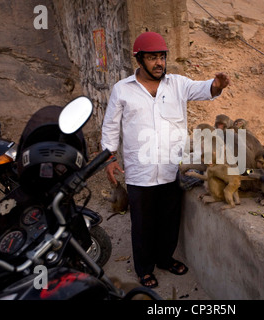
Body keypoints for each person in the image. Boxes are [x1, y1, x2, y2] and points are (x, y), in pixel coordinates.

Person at [101, 31, 230, 288]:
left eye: (162, 57)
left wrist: (217, 85)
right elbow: (110, 127)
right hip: (141, 170)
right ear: (139, 60)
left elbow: (205, 88)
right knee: (142, 224)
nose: (159, 62)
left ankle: (165, 258)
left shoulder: (178, 84)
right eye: (152, 58)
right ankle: (144, 268)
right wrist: (110, 158)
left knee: (169, 219)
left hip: (173, 167)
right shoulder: (122, 90)